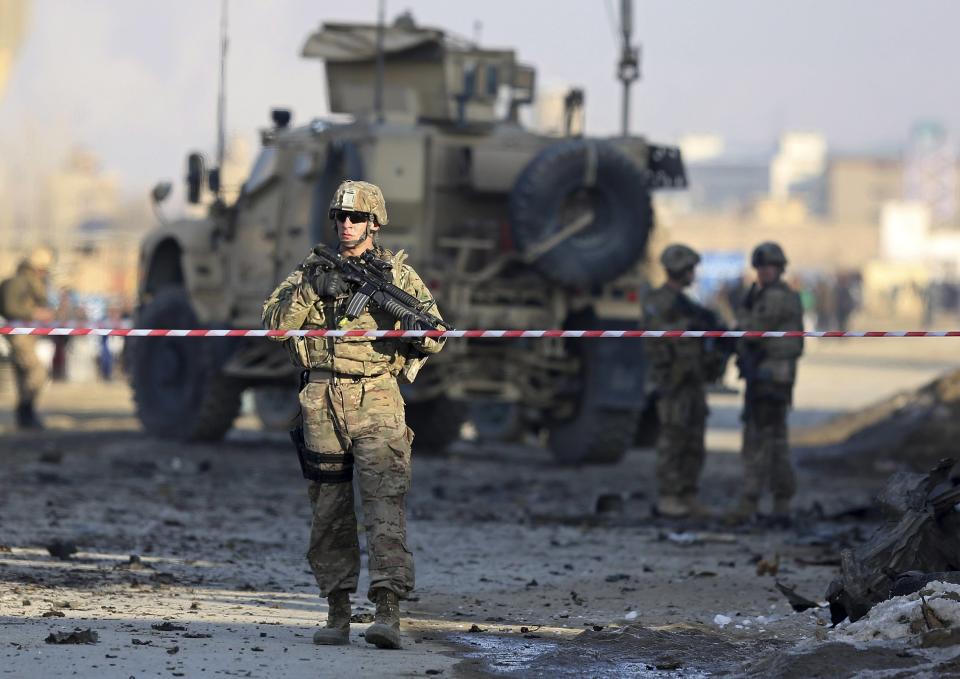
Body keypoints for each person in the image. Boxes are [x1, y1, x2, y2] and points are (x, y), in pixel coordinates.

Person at [262, 181, 445, 650]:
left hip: (377, 396)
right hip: (321, 397)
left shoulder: (398, 277)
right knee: (329, 510)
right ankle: (337, 610)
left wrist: (402, 324)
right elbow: (275, 324)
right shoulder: (313, 269)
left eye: (357, 218)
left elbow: (435, 334)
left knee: (385, 504)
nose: (347, 225)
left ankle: (388, 609)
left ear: (375, 223)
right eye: (341, 217)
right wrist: (311, 289)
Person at [642, 243, 721, 518]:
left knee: (694, 440)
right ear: (680, 270)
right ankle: (668, 496)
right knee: (673, 439)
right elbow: (655, 334)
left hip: (693, 379)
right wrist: (686, 329)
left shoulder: (689, 305)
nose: (693, 275)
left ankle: (688, 495)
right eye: (690, 270)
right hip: (672, 380)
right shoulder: (658, 301)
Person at [730, 242, 804, 524]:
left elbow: (752, 331)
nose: (764, 272)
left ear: (780, 269)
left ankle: (752, 501)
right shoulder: (774, 295)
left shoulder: (775, 298)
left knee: (760, 441)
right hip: (769, 377)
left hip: (770, 379)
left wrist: (743, 312)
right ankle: (779, 503)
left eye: (769, 267)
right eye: (760, 268)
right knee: (773, 440)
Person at [0, 247, 55, 429]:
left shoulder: (33, 282)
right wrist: (35, 313)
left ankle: (26, 416)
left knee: (24, 378)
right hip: (19, 337)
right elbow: (10, 308)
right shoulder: (18, 282)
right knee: (37, 374)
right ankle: (25, 411)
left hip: (29, 336)